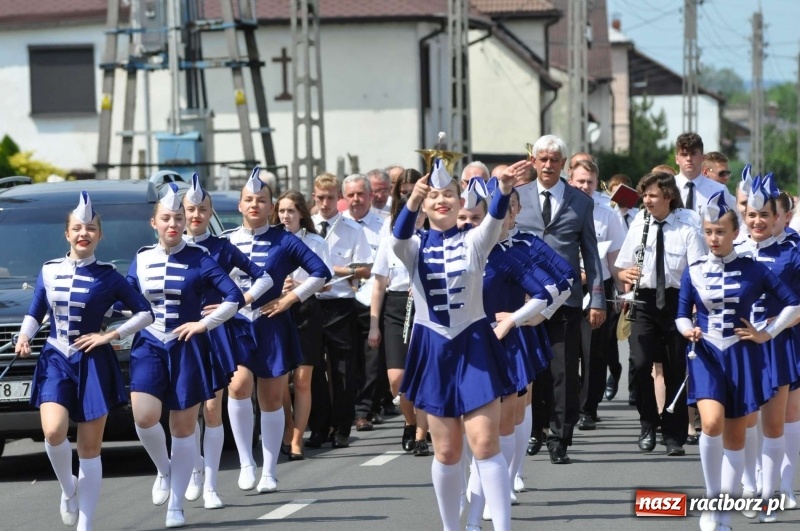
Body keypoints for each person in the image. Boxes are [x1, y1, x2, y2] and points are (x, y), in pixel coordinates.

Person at [391, 159, 531, 531]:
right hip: (434, 351)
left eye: (449, 194)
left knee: (485, 443)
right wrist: (411, 202)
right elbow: (398, 236)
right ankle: (451, 527)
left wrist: (501, 190)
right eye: (434, 195)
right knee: (448, 450)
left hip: (473, 347)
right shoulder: (414, 247)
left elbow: (495, 219)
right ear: (424, 203)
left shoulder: (473, 242)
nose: (442, 200)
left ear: (458, 201)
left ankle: (502, 527)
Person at [15, 192, 153, 531]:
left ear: (99, 235)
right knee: (53, 430)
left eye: (91, 228)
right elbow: (37, 311)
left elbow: (146, 313)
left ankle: (86, 524)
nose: (84, 234)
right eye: (77, 228)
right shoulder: (48, 271)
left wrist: (110, 336)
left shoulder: (110, 276)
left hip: (93, 361)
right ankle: (68, 489)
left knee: (90, 448)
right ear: (67, 233)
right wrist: (23, 336)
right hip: (55, 358)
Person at [677, 191, 800, 531]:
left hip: (742, 355)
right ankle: (712, 497)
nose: (713, 238)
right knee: (711, 424)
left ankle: (723, 513)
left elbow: (793, 304)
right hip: (705, 355)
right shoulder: (695, 269)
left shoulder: (754, 268)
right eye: (708, 231)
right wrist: (688, 329)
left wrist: (767, 332)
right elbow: (680, 313)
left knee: (737, 436)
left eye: (720, 231)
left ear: (734, 233)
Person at [127, 183, 245, 528]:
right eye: (166, 218)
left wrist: (205, 324)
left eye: (178, 218)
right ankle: (164, 470)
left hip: (187, 347)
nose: (173, 224)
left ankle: (175, 504)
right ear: (154, 222)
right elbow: (127, 297)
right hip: (149, 343)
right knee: (144, 417)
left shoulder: (200, 258)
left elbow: (233, 296)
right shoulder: (141, 257)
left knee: (182, 427)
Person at [225, 170, 331, 494]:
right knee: (239, 386)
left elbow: (321, 273)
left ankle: (270, 470)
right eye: (248, 200)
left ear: (270, 205)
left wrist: (290, 299)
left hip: (271, 323)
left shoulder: (284, 240)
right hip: (237, 324)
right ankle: (246, 461)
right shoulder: (227, 240)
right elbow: (207, 278)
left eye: (261, 200)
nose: (254, 204)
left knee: (272, 397)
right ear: (240, 205)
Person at [181, 175, 273, 509]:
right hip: (183, 335)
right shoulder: (169, 249)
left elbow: (264, 277)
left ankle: (211, 484)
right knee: (189, 409)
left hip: (219, 332)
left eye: (201, 210)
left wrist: (238, 301)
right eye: (190, 210)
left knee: (211, 407)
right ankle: (193, 470)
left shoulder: (222, 246)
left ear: (210, 213)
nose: (195, 215)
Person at [514, 134, 605, 465]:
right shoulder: (518, 197)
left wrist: (596, 299)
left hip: (565, 300)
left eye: (555, 160)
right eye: (543, 159)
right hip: (525, 299)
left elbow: (591, 255)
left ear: (564, 164)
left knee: (563, 371)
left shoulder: (580, 201)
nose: (549, 165)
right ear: (534, 162)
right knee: (530, 371)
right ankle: (533, 430)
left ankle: (559, 437)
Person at [615, 172, 706, 457]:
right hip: (643, 302)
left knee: (675, 368)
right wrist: (625, 274)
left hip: (677, 302)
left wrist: (693, 307)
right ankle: (647, 423)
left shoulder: (687, 223)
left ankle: (674, 435)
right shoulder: (640, 222)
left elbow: (697, 270)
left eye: (652, 195)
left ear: (668, 196)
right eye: (645, 195)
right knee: (641, 364)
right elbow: (621, 267)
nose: (646, 200)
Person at [736, 176, 800, 519]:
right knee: (744, 419)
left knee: (779, 422)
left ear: (779, 217)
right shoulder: (735, 250)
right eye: (752, 214)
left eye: (766, 215)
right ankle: (749, 485)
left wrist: (770, 331)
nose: (758, 220)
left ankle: (776, 487)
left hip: (780, 345)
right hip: (739, 347)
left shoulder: (793, 252)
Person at [368, 168, 431, 454]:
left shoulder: (434, 235)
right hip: (396, 306)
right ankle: (410, 421)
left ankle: (421, 434)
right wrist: (374, 325)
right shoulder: (391, 233)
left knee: (425, 373)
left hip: (426, 305)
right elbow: (379, 282)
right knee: (397, 378)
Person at [308, 173, 373, 448]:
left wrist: (333, 271)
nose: (325, 203)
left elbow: (366, 269)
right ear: (314, 197)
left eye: (330, 198)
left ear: (339, 199)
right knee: (312, 370)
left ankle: (342, 427)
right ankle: (319, 426)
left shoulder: (352, 229)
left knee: (343, 369)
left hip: (340, 304)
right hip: (311, 303)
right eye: (320, 198)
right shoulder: (306, 228)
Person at [270, 190, 332, 460]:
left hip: (307, 310)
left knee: (303, 380)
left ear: (301, 214)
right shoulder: (271, 240)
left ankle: (297, 438)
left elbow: (325, 280)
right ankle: (287, 428)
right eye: (282, 211)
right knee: (281, 378)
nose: (286, 216)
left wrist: (299, 286)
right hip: (277, 309)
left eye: (291, 211)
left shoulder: (316, 241)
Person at [568, 160, 626, 430]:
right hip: (566, 287)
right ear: (570, 180)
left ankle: (587, 409)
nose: (585, 186)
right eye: (580, 181)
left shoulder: (608, 212)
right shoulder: (561, 207)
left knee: (593, 354)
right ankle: (566, 404)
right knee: (567, 351)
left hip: (597, 287)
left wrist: (623, 293)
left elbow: (616, 257)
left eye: (590, 182)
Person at [343, 174, 389, 432]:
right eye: (350, 195)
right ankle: (352, 407)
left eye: (361, 194)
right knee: (349, 361)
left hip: (373, 298)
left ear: (371, 196)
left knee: (372, 359)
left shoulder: (383, 225)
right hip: (344, 299)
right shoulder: (336, 226)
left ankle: (365, 410)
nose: (356, 200)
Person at [673, 133, 732, 217]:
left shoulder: (719, 190)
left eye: (693, 154)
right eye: (684, 154)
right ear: (676, 159)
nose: (689, 158)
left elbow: (728, 224)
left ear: (703, 158)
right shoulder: (667, 188)